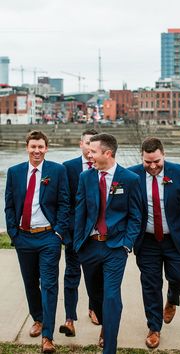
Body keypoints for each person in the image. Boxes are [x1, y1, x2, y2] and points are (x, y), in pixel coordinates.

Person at [73, 133, 142, 354]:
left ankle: (109, 347)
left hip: (115, 247)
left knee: (112, 296)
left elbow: (135, 216)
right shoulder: (86, 177)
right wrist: (77, 244)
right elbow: (80, 211)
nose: (88, 155)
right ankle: (106, 324)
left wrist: (126, 244)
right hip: (89, 246)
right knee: (96, 296)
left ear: (107, 153)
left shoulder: (130, 179)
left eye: (93, 151)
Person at [129, 137, 180, 349]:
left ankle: (172, 298)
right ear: (142, 156)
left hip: (175, 239)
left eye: (156, 161)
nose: (152, 166)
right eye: (147, 162)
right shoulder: (131, 174)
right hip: (147, 241)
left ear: (164, 155)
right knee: (150, 284)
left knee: (179, 276)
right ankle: (154, 328)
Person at [5, 130, 70, 354]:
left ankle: (48, 337)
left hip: (48, 238)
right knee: (30, 283)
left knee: (49, 285)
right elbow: (9, 206)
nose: (37, 151)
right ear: (27, 147)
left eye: (40, 147)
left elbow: (64, 203)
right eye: (33, 146)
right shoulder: (14, 173)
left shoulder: (57, 171)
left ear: (46, 148)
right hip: (23, 237)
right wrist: (14, 234)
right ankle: (38, 319)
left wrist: (59, 233)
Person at [59, 129, 99, 337]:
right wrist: (66, 233)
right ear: (80, 144)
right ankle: (69, 319)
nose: (90, 147)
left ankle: (93, 308)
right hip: (74, 235)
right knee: (72, 275)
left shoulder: (103, 167)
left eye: (94, 143)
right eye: (87, 142)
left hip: (96, 235)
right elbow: (64, 202)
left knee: (93, 276)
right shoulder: (69, 168)